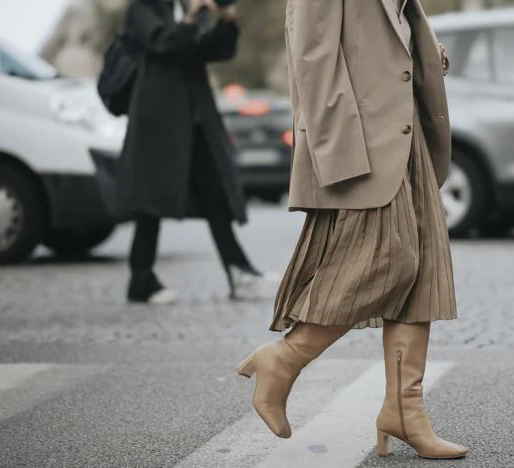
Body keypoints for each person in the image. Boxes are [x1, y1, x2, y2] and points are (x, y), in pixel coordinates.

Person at [235, 0, 467, 460]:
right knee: (390, 258)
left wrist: (421, 52)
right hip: (361, 141)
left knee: (423, 271)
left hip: (403, 133)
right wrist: (339, 155)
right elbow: (312, 56)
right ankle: (282, 360)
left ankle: (405, 410)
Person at [117, 0, 262, 305]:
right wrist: (194, 16)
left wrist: (224, 18)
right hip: (159, 121)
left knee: (215, 197)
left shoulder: (185, 8)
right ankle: (141, 278)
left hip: (196, 121)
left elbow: (217, 51)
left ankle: (238, 270)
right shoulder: (144, 8)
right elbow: (162, 42)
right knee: (151, 203)